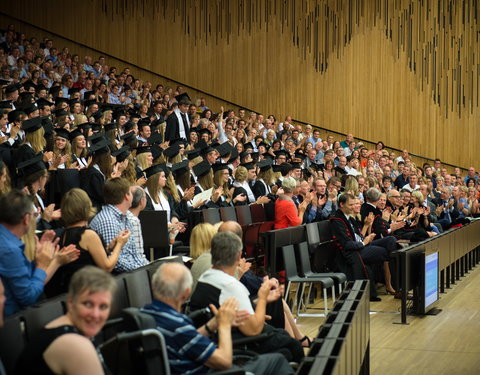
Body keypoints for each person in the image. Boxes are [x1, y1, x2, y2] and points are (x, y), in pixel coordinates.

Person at [142, 262, 294, 375]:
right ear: (186, 293)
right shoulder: (177, 325)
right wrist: (225, 325)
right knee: (278, 360)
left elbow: (185, 342)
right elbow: (224, 361)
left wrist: (213, 324)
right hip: (210, 371)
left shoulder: (148, 314)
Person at [190, 231, 304, 361]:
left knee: (282, 338)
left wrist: (262, 301)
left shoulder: (206, 277)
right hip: (235, 343)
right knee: (292, 345)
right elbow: (254, 329)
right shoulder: (231, 285)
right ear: (238, 256)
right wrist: (262, 298)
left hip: (213, 337)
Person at [15, 266, 116, 375]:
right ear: (71, 302)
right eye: (88, 304)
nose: (95, 314)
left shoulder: (65, 329)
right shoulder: (74, 345)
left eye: (103, 307)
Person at [0, 190, 79, 316]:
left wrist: (38, 262)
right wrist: (42, 265)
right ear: (26, 219)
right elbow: (27, 297)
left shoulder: (8, 240)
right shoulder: (11, 250)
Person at [44, 189, 131, 297]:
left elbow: (85, 256)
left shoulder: (63, 234)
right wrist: (119, 245)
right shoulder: (88, 235)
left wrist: (109, 248)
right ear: (86, 208)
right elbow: (107, 267)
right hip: (88, 291)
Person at [89, 178, 148, 273]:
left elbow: (135, 254)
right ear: (127, 196)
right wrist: (144, 270)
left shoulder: (126, 218)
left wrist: (148, 268)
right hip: (119, 279)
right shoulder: (108, 221)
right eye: (130, 193)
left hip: (133, 274)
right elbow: (116, 263)